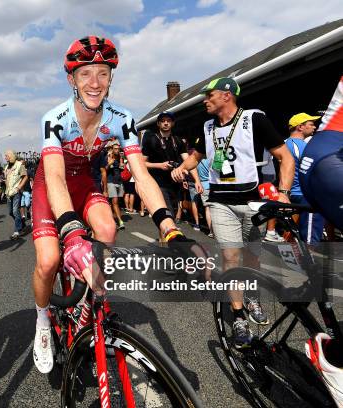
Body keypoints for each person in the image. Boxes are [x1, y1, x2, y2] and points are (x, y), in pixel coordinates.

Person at [31, 36, 193, 374]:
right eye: (85, 74)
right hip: (52, 184)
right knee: (49, 260)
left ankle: (89, 308)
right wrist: (72, 233)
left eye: (102, 73)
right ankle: (42, 318)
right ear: (71, 80)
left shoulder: (122, 118)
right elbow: (56, 179)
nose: (95, 83)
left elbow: (142, 176)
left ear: (111, 78)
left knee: (107, 229)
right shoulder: (55, 118)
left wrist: (169, 227)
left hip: (85, 183)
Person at [172, 77, 294, 348]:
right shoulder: (206, 127)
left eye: (210, 95)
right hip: (221, 202)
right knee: (230, 256)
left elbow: (285, 157)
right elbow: (197, 155)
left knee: (252, 257)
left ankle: (252, 296)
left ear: (227, 95)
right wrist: (183, 167)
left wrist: (283, 193)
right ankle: (238, 316)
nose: (205, 100)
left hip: (251, 202)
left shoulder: (254, 120)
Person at [299, 75, 343, 408]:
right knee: (308, 248)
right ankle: (334, 357)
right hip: (329, 161)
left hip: (325, 161)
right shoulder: (294, 140)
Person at [142, 111, 202, 240]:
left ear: (172, 123)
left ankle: (167, 242)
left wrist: (197, 180)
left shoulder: (178, 140)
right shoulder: (151, 140)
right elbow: (142, 164)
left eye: (168, 121)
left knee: (172, 216)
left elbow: (189, 161)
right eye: (163, 121)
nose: (165, 123)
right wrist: (160, 165)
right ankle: (165, 246)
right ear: (158, 123)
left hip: (175, 184)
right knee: (165, 216)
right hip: (158, 184)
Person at [284, 113, 325, 246]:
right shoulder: (298, 146)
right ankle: (310, 263)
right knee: (310, 239)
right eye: (311, 124)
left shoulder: (284, 144)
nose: (314, 127)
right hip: (305, 196)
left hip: (291, 194)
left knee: (294, 236)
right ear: (300, 127)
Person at [100, 142, 125, 229]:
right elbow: (103, 170)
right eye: (115, 149)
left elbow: (121, 169)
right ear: (112, 149)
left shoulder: (120, 157)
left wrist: (122, 166)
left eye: (118, 149)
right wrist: (109, 164)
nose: (117, 150)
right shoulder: (108, 157)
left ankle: (111, 218)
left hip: (119, 182)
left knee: (116, 202)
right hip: (110, 181)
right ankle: (120, 221)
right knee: (115, 201)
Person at [4, 150, 28, 240]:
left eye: (6, 155)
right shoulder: (6, 167)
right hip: (8, 193)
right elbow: (6, 179)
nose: (5, 157)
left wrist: (19, 187)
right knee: (10, 212)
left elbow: (25, 176)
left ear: (11, 156)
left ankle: (17, 231)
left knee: (15, 211)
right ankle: (21, 223)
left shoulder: (19, 165)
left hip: (16, 192)